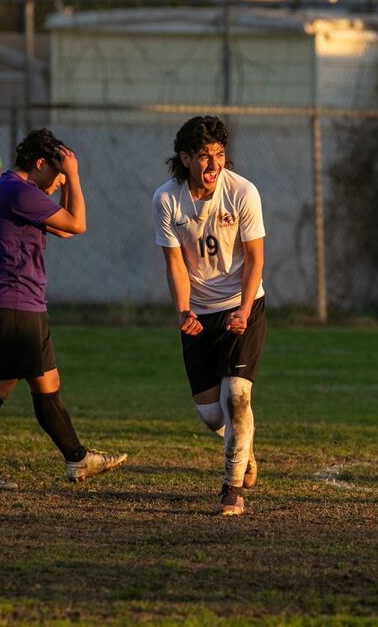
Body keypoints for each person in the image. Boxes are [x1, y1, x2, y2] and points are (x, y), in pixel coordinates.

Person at [0, 128, 128, 490]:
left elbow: (63, 229)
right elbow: (77, 224)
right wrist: (75, 177)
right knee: (2, 389)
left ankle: (75, 459)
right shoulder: (20, 191)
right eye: (57, 171)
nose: (60, 178)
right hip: (16, 304)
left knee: (41, 384)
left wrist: (64, 181)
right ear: (39, 163)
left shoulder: (14, 189)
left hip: (17, 303)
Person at [153, 116, 266, 516]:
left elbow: (255, 259)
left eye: (219, 154)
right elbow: (176, 265)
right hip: (199, 314)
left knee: (236, 396)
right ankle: (244, 447)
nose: (214, 163)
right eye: (204, 155)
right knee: (210, 414)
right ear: (185, 158)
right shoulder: (167, 200)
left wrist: (245, 310)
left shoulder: (243, 192)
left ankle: (232, 490)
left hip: (241, 306)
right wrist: (184, 310)